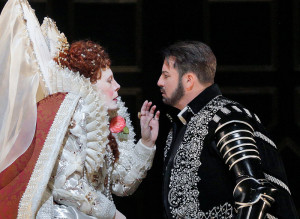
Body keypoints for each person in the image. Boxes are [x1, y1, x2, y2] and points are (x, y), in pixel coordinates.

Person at [0, 0, 159, 218]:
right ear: (90, 85)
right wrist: (111, 214)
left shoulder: (112, 121)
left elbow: (123, 184)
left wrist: (146, 143)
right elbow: (68, 188)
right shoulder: (74, 115)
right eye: (109, 81)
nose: (117, 86)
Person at [157, 41, 298, 218]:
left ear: (188, 80)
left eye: (166, 75)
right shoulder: (181, 124)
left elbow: (255, 192)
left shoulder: (226, 116)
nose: (159, 82)